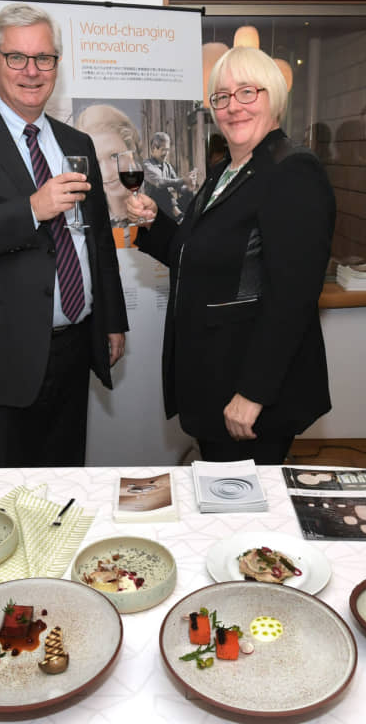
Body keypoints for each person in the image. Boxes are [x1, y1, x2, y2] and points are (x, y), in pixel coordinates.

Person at [0, 3, 128, 467]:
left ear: (56, 64)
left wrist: (111, 320)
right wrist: (32, 209)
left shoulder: (77, 144)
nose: (31, 71)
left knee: (65, 484)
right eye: (17, 58)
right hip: (1, 353)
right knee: (5, 495)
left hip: (75, 345)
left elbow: (96, 242)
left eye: (44, 59)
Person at [127, 47, 335, 464]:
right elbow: (202, 257)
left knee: (244, 514)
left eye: (246, 93)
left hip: (249, 390)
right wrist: (155, 225)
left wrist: (254, 392)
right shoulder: (228, 169)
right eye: (221, 97)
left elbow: (293, 297)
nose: (232, 107)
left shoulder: (293, 171)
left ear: (273, 97)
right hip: (213, 376)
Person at [74, 103, 142, 246]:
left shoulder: (159, 212)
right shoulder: (83, 221)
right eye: (96, 161)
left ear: (131, 150)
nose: (107, 172)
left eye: (114, 156)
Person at [143, 132, 195, 223]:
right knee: (162, 187)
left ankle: (192, 217)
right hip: (154, 207)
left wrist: (189, 188)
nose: (166, 153)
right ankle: (179, 215)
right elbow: (160, 183)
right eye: (163, 150)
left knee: (191, 194)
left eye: (168, 150)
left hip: (167, 207)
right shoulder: (147, 165)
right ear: (154, 148)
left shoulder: (167, 166)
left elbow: (179, 187)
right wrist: (183, 180)